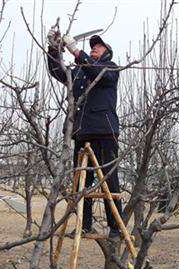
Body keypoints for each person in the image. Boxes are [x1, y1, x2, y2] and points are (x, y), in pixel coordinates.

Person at [47, 28, 122, 238]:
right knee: (81, 182)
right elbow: (57, 71)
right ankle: (84, 224)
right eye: (92, 47)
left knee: (110, 180)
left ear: (107, 51)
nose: (94, 48)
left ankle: (115, 227)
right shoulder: (80, 71)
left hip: (105, 132)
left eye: (98, 46)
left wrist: (76, 50)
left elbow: (94, 69)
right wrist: (53, 49)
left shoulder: (111, 68)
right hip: (82, 133)